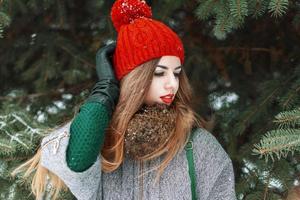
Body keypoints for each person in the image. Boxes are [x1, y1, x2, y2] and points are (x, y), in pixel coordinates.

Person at [11, 0, 237, 199]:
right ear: (134, 79)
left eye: (176, 73)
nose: (172, 84)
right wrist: (104, 92)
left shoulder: (197, 146)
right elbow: (76, 162)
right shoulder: (104, 143)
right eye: (159, 73)